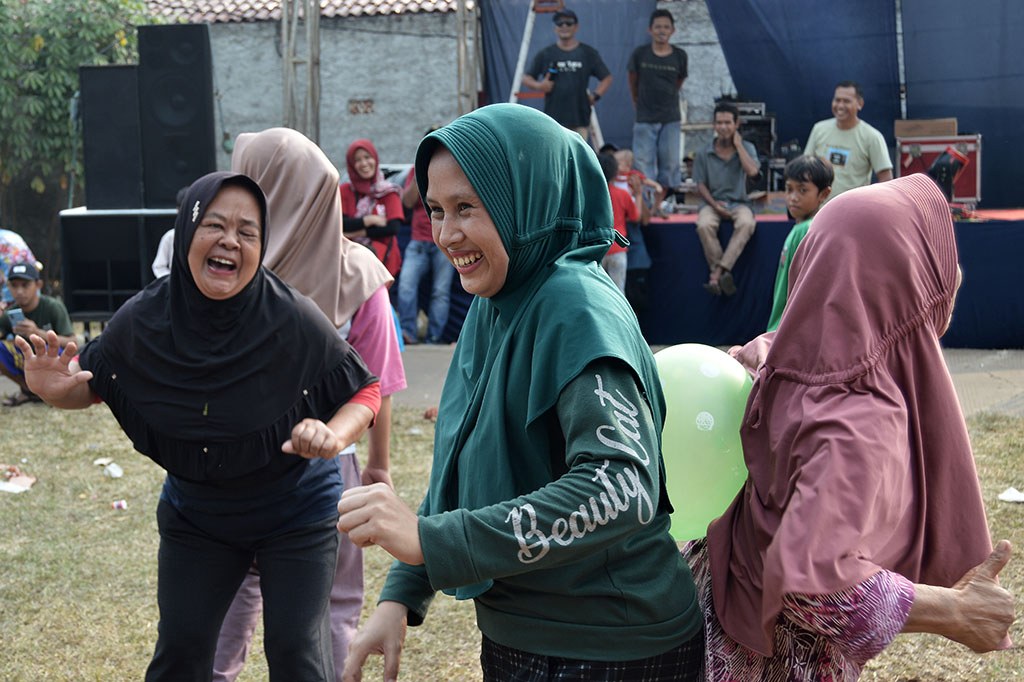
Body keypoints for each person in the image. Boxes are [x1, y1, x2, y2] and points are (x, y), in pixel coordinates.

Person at [337, 104, 705, 682]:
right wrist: (401, 595)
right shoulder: (496, 302)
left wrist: (433, 543)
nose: (446, 234)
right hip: (521, 633)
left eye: (467, 207)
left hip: (611, 646)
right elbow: (464, 459)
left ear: (524, 200)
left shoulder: (573, 305)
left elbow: (622, 485)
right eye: (435, 210)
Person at [17, 172, 382, 681]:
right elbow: (95, 382)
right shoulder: (143, 319)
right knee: (182, 654)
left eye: (247, 232)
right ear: (187, 232)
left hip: (294, 510)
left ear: (260, 246)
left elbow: (364, 390)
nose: (230, 240)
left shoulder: (292, 316)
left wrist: (335, 436)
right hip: (200, 513)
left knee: (298, 652)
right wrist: (55, 392)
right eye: (215, 224)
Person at [682, 174, 1015, 681]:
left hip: (695, 629)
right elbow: (814, 579)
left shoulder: (771, 355)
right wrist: (956, 612)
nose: (955, 275)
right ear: (904, 272)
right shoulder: (859, 414)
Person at [213, 127, 406, 682]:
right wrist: (378, 466)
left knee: (232, 599)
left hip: (229, 471)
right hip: (331, 468)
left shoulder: (225, 269)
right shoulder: (360, 273)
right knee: (334, 605)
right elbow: (379, 381)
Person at [693, 102, 760, 296]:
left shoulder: (747, 147)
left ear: (736, 124)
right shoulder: (703, 152)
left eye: (728, 123)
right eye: (719, 123)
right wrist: (715, 205)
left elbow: (753, 172)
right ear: (714, 124)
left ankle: (717, 273)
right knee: (704, 225)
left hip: (740, 202)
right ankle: (721, 272)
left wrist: (738, 145)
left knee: (747, 223)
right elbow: (700, 185)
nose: (723, 127)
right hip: (712, 203)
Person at [398, 131, 455, 345]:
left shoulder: (453, 169)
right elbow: (407, 201)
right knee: (406, 286)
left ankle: (433, 337)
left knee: (440, 292)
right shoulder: (415, 170)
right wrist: (419, 171)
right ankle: (408, 332)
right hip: (418, 241)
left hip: (444, 240)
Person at [521, 8, 612, 142]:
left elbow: (606, 77)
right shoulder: (546, 53)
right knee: (555, 157)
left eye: (569, 23)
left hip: (580, 117)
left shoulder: (588, 53)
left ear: (576, 27)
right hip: (553, 119)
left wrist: (595, 96)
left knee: (577, 157)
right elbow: (526, 78)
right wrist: (540, 85)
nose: (564, 26)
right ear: (555, 28)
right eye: (559, 23)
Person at [765, 155, 833, 331]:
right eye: (789, 189)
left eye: (803, 190)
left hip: (787, 330)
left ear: (824, 194)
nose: (793, 198)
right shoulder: (801, 228)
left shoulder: (806, 230)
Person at [628, 8, 688, 193]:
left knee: (670, 164)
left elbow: (678, 82)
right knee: (643, 163)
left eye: (666, 27)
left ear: (672, 31)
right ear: (650, 30)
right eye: (658, 27)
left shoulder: (680, 55)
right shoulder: (640, 54)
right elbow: (632, 80)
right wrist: (637, 102)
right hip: (645, 116)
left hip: (671, 117)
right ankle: (645, 204)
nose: (662, 30)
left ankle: (665, 203)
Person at [0, 260, 74, 406]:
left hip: (52, 360)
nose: (19, 291)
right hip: (27, 362)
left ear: (38, 285)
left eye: (25, 285)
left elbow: (72, 342)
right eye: (14, 285)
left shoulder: (53, 306)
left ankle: (53, 391)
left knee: (52, 350)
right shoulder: (10, 313)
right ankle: (29, 391)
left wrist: (37, 332)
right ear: (8, 286)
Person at [805, 80, 893, 199]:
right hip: (820, 211)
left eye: (846, 101)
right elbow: (805, 168)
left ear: (860, 104)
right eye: (837, 100)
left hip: (854, 211)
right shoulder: (819, 129)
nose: (840, 106)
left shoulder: (872, 137)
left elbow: (886, 180)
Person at [340, 139, 403, 276]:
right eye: (357, 160)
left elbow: (392, 228)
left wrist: (355, 233)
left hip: (383, 265)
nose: (364, 163)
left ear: (375, 158)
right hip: (349, 265)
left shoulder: (388, 192)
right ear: (351, 164)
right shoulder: (345, 190)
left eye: (367, 157)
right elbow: (340, 223)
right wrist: (370, 220)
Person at [597, 151, 642, 294]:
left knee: (597, 294)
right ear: (616, 172)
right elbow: (635, 217)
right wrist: (639, 195)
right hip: (617, 250)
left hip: (596, 250)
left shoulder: (589, 194)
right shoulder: (623, 194)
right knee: (618, 294)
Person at [151, 186, 190, 278]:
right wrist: (172, 282)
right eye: (186, 207)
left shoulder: (207, 236)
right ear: (179, 209)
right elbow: (159, 267)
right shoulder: (170, 237)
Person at [0, 227, 36, 308]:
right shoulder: (10, 236)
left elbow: (9, 279)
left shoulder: (4, 242)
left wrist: (6, 305)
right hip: (31, 295)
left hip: (13, 299)